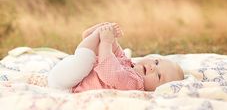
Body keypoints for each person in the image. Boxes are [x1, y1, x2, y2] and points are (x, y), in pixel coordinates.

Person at [48, 23, 184, 92]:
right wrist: (112, 38)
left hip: (66, 83)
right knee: (88, 59)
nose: (153, 67)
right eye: (156, 62)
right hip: (69, 71)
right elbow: (116, 52)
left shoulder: (134, 83)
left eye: (159, 76)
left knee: (84, 62)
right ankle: (94, 34)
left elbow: (110, 74)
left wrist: (106, 41)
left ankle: (93, 36)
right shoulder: (130, 65)